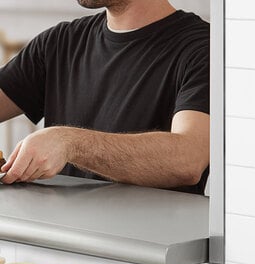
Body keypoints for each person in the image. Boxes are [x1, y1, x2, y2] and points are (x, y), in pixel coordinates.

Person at [0, 0, 210, 193]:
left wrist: (70, 143)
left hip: (152, 233)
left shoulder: (203, 49)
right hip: (63, 231)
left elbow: (188, 160)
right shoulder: (61, 42)